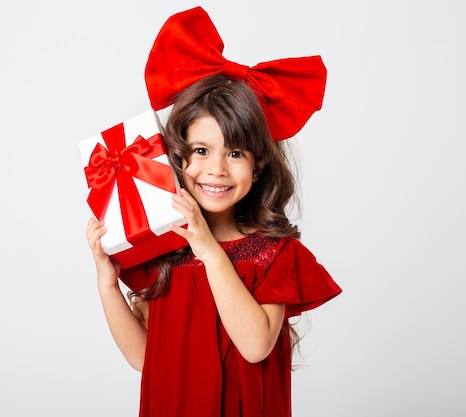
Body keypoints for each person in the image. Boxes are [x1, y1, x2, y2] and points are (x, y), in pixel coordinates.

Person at [86, 7, 342, 417]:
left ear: (258, 164)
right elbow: (142, 358)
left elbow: (256, 346)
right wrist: (107, 284)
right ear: (178, 158)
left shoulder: (275, 254)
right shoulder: (163, 250)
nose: (216, 168)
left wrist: (208, 249)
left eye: (235, 153)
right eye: (201, 151)